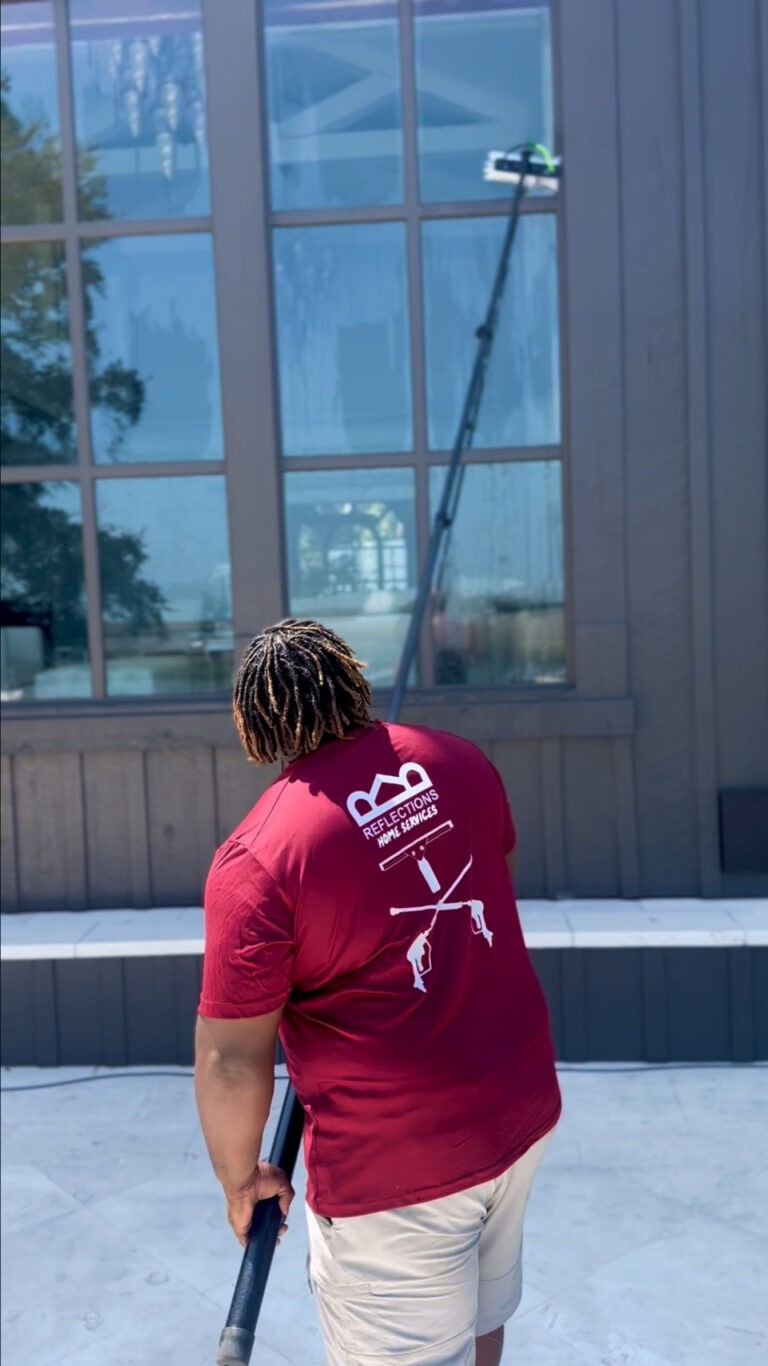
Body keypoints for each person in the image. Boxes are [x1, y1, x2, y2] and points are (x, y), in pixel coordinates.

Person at [195, 619, 561, 1366]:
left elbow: (233, 1060)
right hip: (518, 1110)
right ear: (350, 680)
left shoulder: (259, 860)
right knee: (482, 1317)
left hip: (397, 1168)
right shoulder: (457, 762)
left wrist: (243, 1180)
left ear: (257, 723)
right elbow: (495, 887)